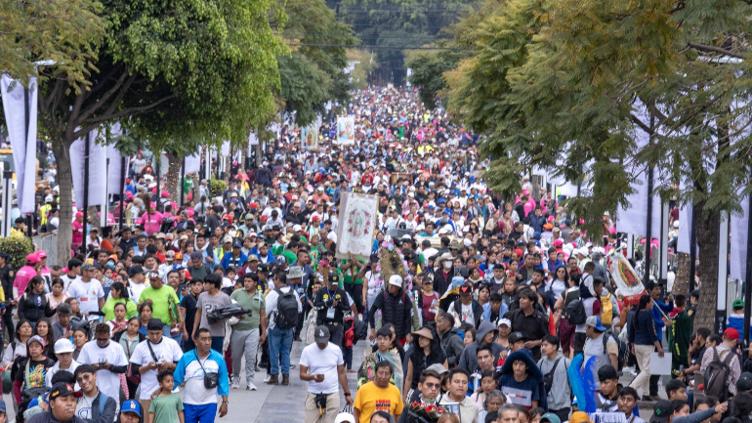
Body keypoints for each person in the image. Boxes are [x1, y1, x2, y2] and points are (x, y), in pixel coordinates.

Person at [173, 328, 230, 423]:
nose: (207, 342)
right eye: (203, 339)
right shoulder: (186, 358)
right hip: (189, 404)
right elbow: (176, 379)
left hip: (209, 404)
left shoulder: (219, 359)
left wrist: (225, 402)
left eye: (209, 339)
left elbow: (223, 381)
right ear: (196, 341)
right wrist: (162, 394)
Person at [300, 325, 353, 423]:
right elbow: (302, 374)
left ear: (329, 337)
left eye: (324, 341)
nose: (321, 344)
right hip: (314, 393)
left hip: (332, 393)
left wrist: (347, 393)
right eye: (319, 342)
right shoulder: (307, 350)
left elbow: (341, 373)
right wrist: (313, 377)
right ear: (315, 338)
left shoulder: (336, 350)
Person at [130, 319, 183, 412]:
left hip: (169, 391)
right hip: (148, 393)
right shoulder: (140, 347)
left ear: (162, 331)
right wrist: (148, 367)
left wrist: (169, 365)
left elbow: (182, 366)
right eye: (151, 333)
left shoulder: (172, 344)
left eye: (157, 333)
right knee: (147, 418)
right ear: (147, 332)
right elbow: (134, 370)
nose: (154, 337)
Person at [265, 269, 303, 386]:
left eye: (274, 279)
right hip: (289, 327)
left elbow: (265, 310)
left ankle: (274, 375)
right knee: (286, 351)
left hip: (275, 326)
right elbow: (300, 309)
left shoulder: (273, 293)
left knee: (274, 351)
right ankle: (286, 377)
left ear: (277, 279)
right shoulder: (293, 292)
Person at [76, 323, 129, 408]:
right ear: (95, 335)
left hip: (112, 392)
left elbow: (124, 368)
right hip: (91, 391)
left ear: (109, 335)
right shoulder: (87, 347)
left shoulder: (117, 347)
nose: (101, 341)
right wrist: (92, 368)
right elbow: (79, 369)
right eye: (99, 339)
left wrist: (110, 367)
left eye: (104, 339)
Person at [229, 272, 266, 391]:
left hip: (253, 329)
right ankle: (235, 378)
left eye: (249, 281)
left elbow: (263, 315)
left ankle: (250, 381)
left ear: (255, 283)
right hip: (237, 329)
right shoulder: (236, 293)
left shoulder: (260, 296)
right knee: (235, 356)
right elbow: (228, 308)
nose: (246, 283)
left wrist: (263, 332)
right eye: (245, 281)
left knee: (251, 356)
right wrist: (236, 315)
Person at [629, 294, 664, 400]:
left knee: (644, 371)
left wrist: (632, 344)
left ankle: (646, 394)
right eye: (651, 302)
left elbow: (631, 331)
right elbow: (652, 332)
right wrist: (659, 347)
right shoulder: (648, 314)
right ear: (647, 303)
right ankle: (631, 388)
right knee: (647, 371)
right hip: (647, 346)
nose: (652, 304)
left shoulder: (636, 313)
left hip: (637, 344)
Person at [403, 327, 446, 398]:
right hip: (415, 390)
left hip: (435, 391)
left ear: (430, 340)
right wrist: (404, 396)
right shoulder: (413, 355)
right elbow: (409, 378)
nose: (420, 339)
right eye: (419, 337)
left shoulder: (441, 356)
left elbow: (444, 377)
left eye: (423, 337)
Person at [192, 273, 232, 352]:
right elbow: (198, 313)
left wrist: (220, 315)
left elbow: (229, 314)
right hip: (203, 331)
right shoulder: (202, 296)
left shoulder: (225, 297)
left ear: (213, 284)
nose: (204, 285)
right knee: (202, 354)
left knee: (216, 355)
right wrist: (194, 330)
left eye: (206, 283)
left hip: (218, 333)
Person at [368, 275, 413, 343]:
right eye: (390, 284)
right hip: (386, 335)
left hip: (401, 335)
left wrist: (408, 333)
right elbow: (371, 312)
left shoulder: (405, 297)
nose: (390, 287)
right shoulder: (383, 295)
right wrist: (372, 329)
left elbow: (408, 317)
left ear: (398, 287)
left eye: (393, 285)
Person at [700, 327, 742, 400]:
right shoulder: (734, 357)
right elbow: (737, 380)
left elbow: (702, 370)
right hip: (724, 397)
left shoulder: (709, 350)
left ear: (723, 337)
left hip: (708, 394)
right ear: (735, 341)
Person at [537, 335, 570, 421]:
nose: (543, 348)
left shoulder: (566, 362)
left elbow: (573, 383)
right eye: (542, 345)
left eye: (546, 345)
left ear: (555, 347)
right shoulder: (540, 362)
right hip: (546, 406)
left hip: (563, 406)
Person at [180, 279, 203, 352]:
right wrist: (184, 331)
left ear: (202, 286)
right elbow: (182, 316)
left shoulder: (204, 298)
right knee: (189, 351)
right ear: (190, 286)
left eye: (199, 285)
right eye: (194, 285)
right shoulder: (186, 298)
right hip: (189, 329)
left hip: (201, 330)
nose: (196, 287)